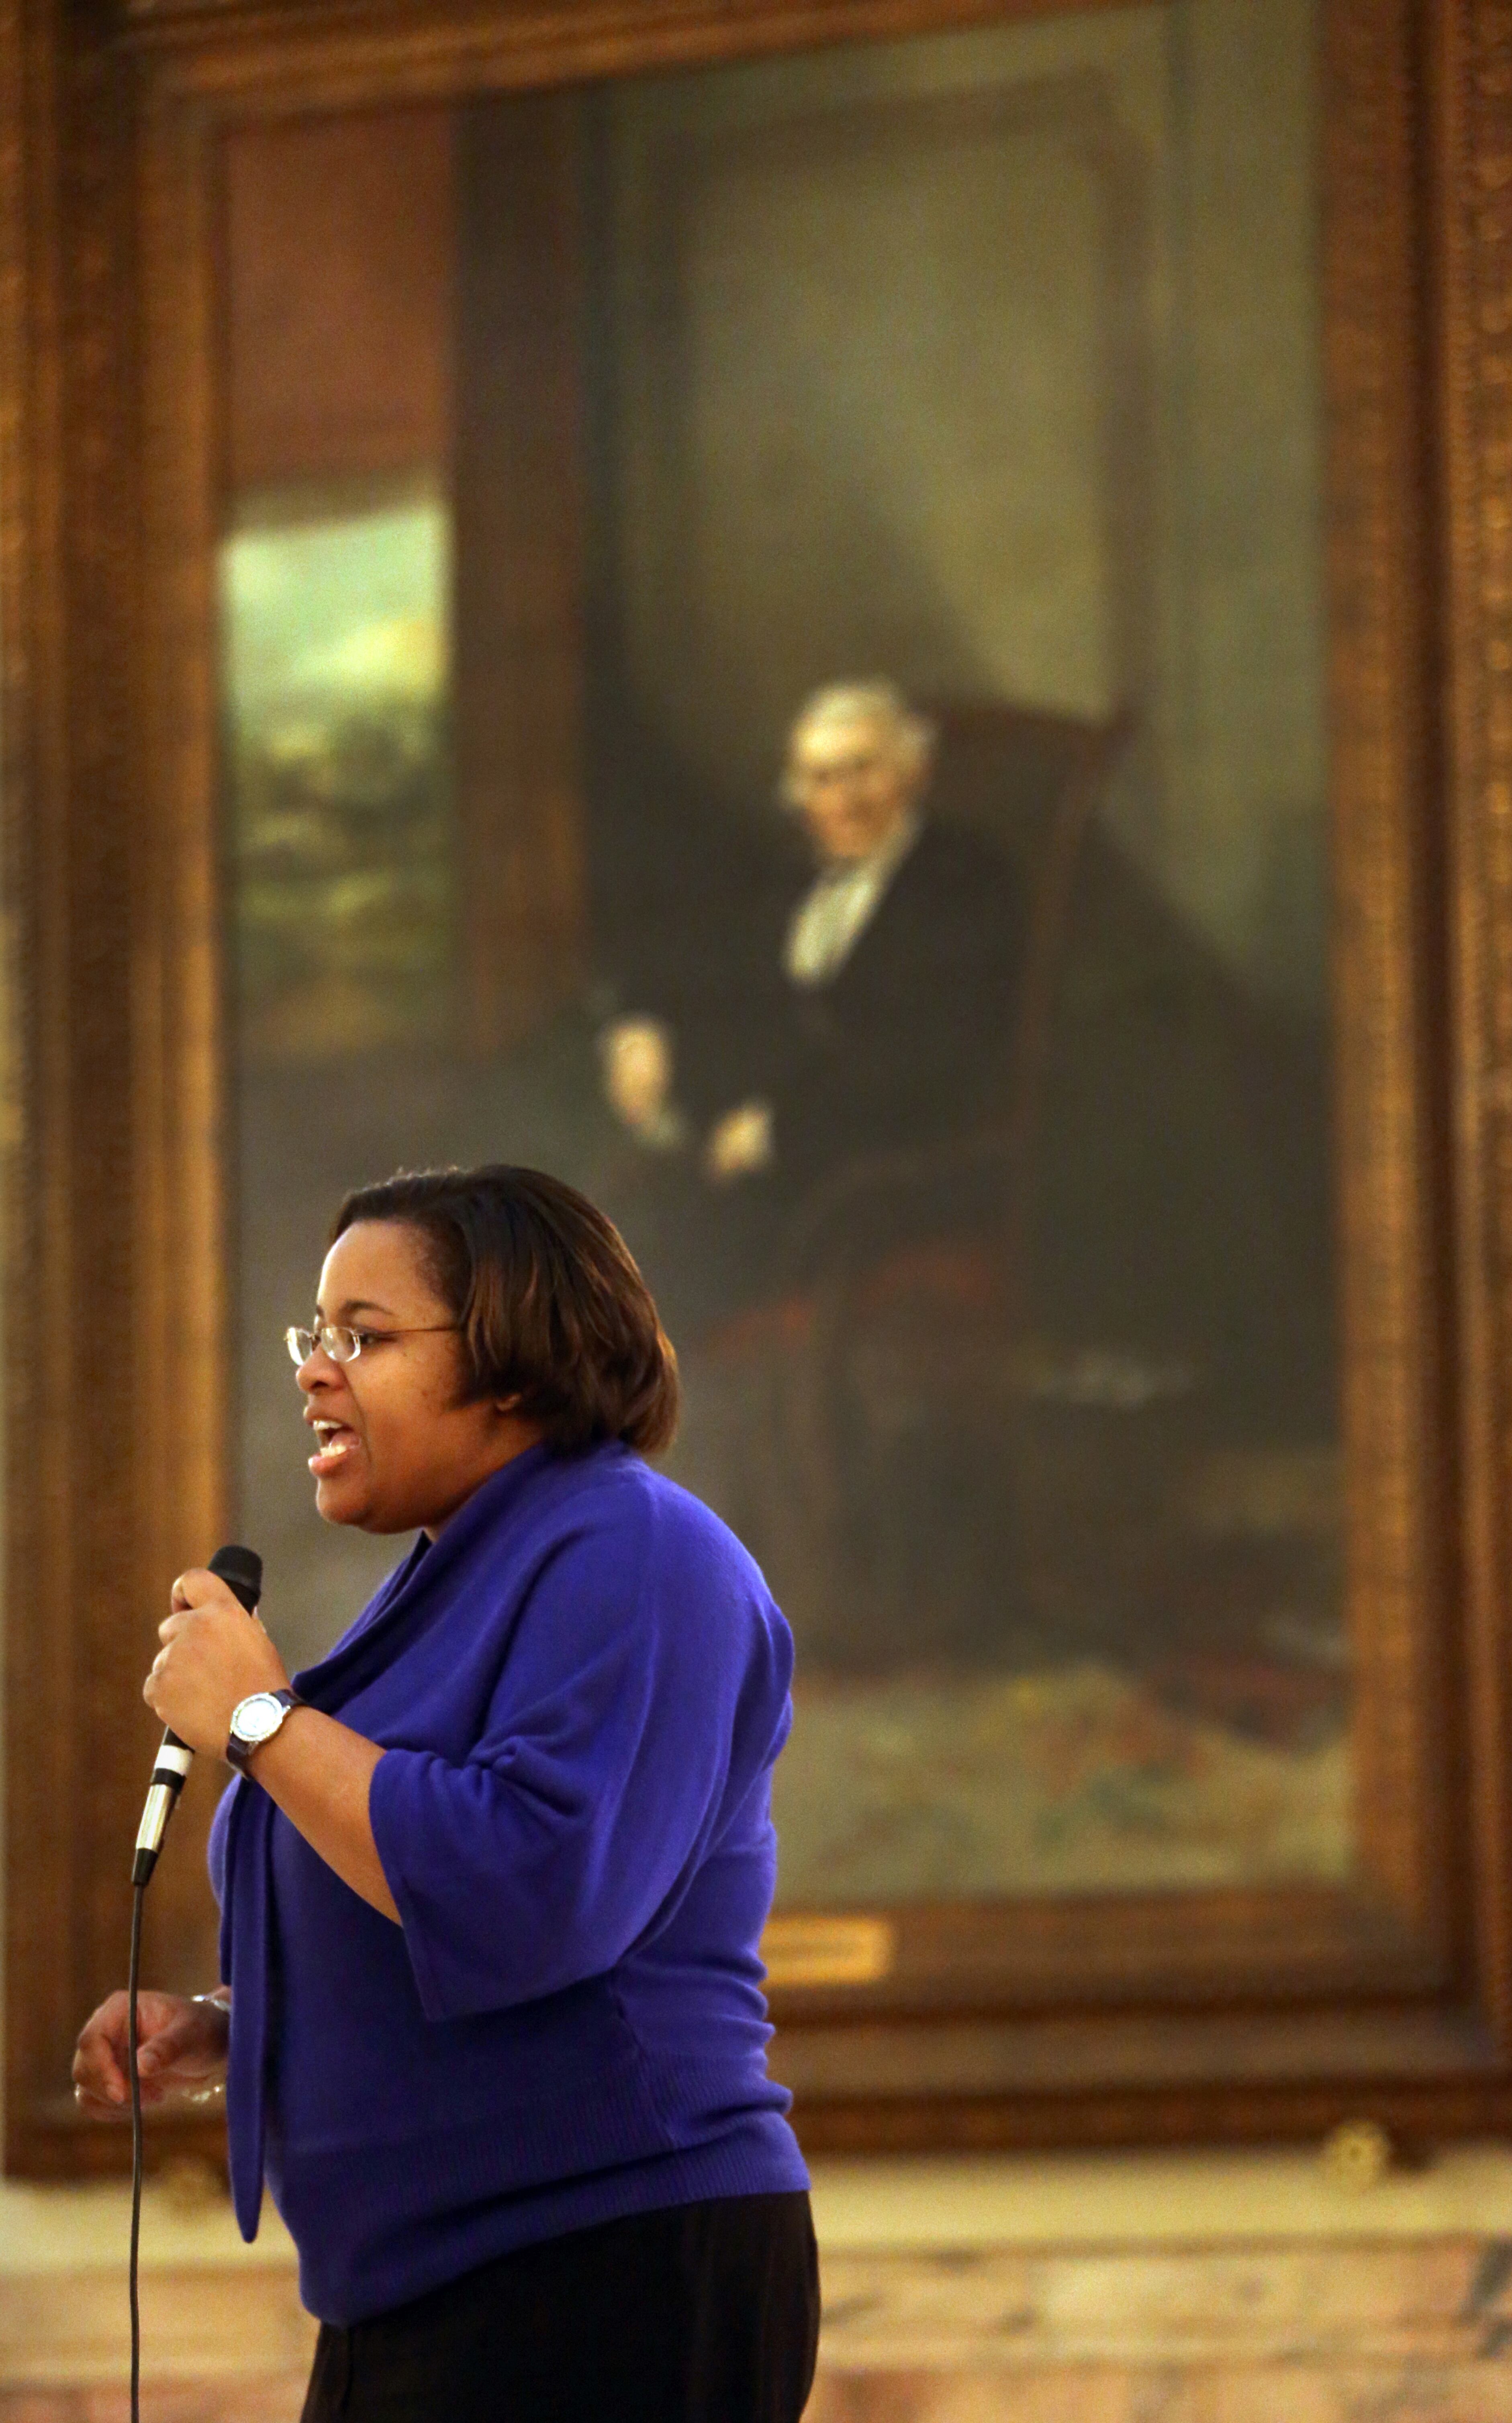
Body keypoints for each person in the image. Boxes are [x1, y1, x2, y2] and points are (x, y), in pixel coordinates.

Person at [72, 1165, 819, 2423]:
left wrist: (260, 1718)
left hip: (605, 2266)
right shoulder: (459, 1579)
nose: (316, 1370)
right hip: (433, 2290)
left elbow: (535, 1886)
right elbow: (403, 1881)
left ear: (519, 1361)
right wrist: (230, 2018)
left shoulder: (635, 1549)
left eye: (364, 1338)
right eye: (316, 1335)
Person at [600, 679, 1022, 1326]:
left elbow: (928, 1061)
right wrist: (639, 1025)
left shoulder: (963, 882)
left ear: (912, 775)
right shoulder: (793, 883)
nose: (844, 800)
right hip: (757, 1163)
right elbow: (689, 963)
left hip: (874, 1175)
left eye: (863, 771)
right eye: (822, 779)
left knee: (647, 1272)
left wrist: (776, 1134)